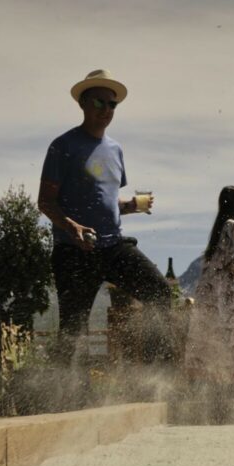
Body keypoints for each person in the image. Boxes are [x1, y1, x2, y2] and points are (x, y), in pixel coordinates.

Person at [37, 69, 170, 362]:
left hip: (113, 246)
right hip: (73, 251)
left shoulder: (115, 150)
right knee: (73, 330)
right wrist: (72, 227)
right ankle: (64, 396)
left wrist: (131, 205)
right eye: (99, 103)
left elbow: (104, 201)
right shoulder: (63, 146)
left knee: (160, 293)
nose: (107, 110)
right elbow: (45, 202)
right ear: (83, 104)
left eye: (112, 105)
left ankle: (152, 369)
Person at [183, 186, 234, 389]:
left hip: (211, 298)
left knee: (209, 345)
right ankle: (224, 397)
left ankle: (204, 393)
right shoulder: (231, 225)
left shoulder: (218, 229)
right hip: (225, 301)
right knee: (226, 347)